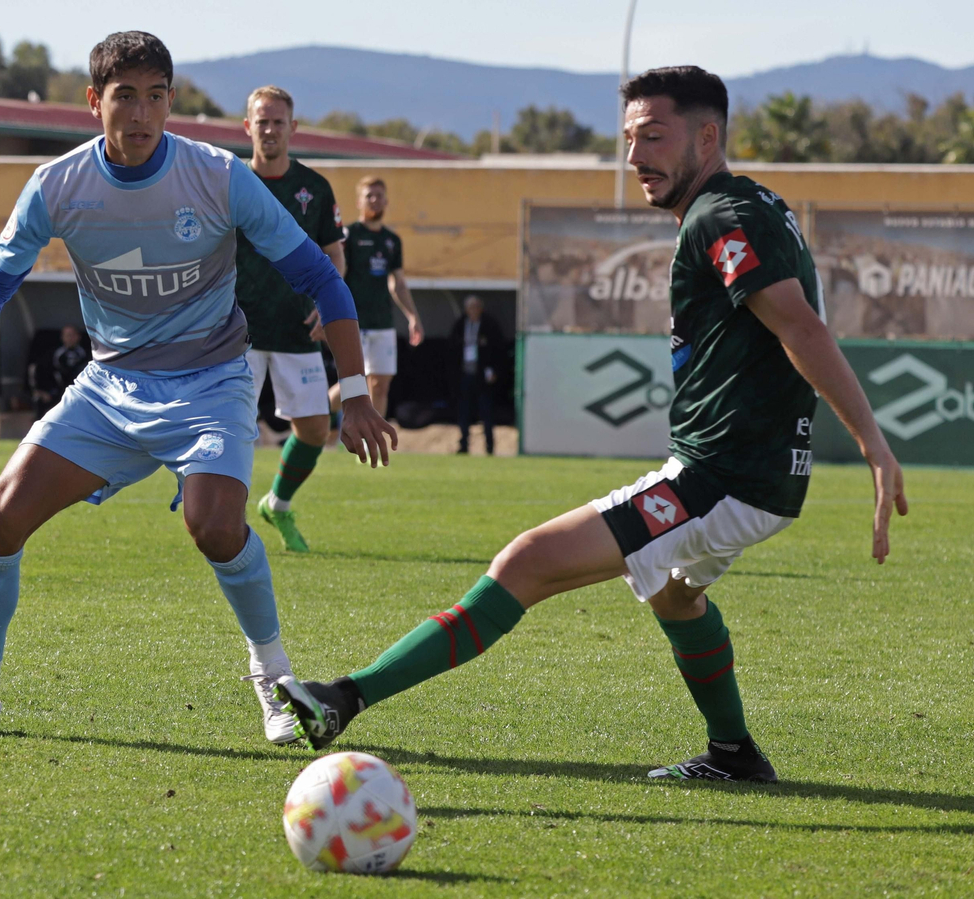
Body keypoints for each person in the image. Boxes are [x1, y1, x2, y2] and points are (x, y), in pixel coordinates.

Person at [276, 66, 909, 784]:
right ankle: (734, 752)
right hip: (745, 475)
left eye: (654, 137)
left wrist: (873, 443)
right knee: (676, 595)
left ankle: (342, 698)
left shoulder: (720, 216)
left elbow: (800, 326)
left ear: (707, 136)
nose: (635, 155)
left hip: (722, 477)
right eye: (629, 137)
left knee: (525, 563)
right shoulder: (748, 205)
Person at [0, 31, 396, 741]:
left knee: (216, 525)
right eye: (124, 96)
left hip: (212, 381)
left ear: (172, 103)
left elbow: (319, 274)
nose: (140, 113)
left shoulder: (218, 176)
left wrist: (356, 392)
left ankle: (275, 680)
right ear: (93, 101)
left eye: (155, 97)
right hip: (110, 385)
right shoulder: (57, 184)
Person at [236, 85, 347, 554]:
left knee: (315, 431)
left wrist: (328, 304)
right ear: (248, 127)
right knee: (227, 431)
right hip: (235, 331)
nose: (270, 129)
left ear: (293, 127)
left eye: (278, 121)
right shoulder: (229, 181)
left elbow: (335, 257)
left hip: (296, 329)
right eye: (262, 121)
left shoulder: (315, 189)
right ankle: (221, 520)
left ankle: (278, 504)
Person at [340, 176, 424, 418]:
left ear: (386, 201)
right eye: (369, 196)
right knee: (353, 387)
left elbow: (397, 283)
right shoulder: (349, 235)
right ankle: (314, 418)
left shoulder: (392, 240)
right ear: (359, 202)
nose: (375, 200)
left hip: (383, 323)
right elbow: (338, 276)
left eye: (379, 196)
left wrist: (413, 316)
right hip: (354, 323)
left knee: (381, 385)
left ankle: (372, 444)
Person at [450, 295, 507, 455]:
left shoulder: (489, 325)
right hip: (465, 374)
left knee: (486, 411)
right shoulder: (461, 325)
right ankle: (463, 444)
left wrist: (494, 370)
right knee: (464, 411)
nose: (473, 311)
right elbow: (453, 350)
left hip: (483, 375)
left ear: (481, 308)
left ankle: (489, 446)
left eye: (476, 307)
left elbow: (498, 350)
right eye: (470, 308)